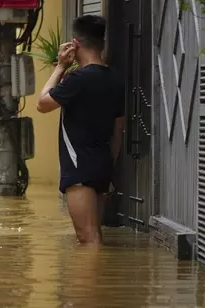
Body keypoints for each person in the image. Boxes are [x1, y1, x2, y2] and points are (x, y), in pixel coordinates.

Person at [35, 15, 125, 247]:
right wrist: (109, 163)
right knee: (95, 235)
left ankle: (87, 284)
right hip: (102, 164)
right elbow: (118, 129)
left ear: (75, 43)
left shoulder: (78, 79)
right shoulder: (114, 79)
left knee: (88, 239)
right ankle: (97, 282)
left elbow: (42, 104)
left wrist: (61, 67)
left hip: (79, 167)